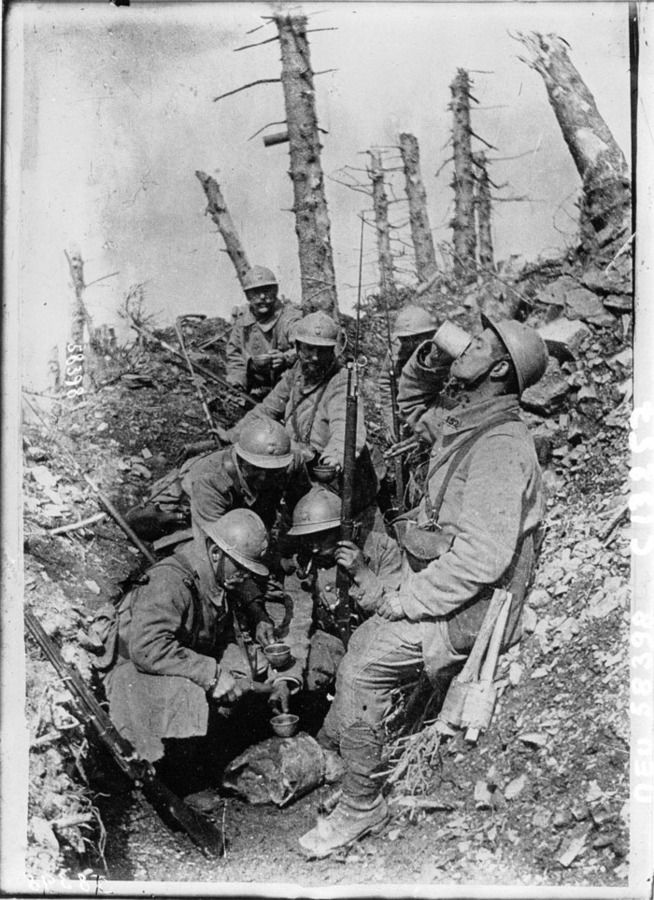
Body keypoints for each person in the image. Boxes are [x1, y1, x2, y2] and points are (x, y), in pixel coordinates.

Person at [299, 315, 549, 857]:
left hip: (476, 605)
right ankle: (357, 775)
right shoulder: (469, 420)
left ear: (501, 368)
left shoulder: (500, 446)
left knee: (361, 665)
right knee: (363, 639)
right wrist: (441, 353)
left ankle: (363, 806)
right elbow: (410, 402)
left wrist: (407, 600)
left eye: (477, 345)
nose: (464, 346)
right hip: (448, 584)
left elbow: (483, 557)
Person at [103, 509, 299, 795]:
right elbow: (147, 649)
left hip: (170, 662)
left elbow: (221, 638)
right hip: (132, 676)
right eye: (240, 567)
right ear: (215, 553)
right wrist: (212, 674)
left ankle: (205, 752)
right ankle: (178, 781)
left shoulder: (215, 576)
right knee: (189, 691)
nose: (244, 576)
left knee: (239, 675)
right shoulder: (169, 582)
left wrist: (266, 679)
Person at [218, 310, 378, 520]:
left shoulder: (343, 381)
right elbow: (267, 410)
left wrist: (334, 458)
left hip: (336, 480)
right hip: (301, 468)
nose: (315, 357)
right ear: (298, 348)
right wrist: (234, 434)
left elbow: (346, 427)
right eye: (309, 349)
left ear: (334, 351)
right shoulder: (296, 373)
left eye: (323, 351)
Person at [273, 486, 402, 697]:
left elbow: (392, 614)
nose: (314, 547)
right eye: (308, 539)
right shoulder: (303, 564)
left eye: (322, 537)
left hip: (378, 646)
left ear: (344, 529)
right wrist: (287, 677)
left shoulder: (382, 550)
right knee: (311, 673)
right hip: (337, 646)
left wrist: (362, 573)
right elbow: (297, 622)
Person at [124, 419, 294, 546]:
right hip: (187, 509)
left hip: (231, 503)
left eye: (271, 470)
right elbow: (214, 543)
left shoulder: (288, 460)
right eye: (256, 469)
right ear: (241, 459)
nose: (264, 477)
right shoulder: (211, 480)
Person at [225, 265, 302, 399]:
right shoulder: (242, 322)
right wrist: (237, 382)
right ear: (248, 296)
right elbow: (235, 357)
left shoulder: (289, 318)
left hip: (286, 389)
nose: (262, 297)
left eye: (267, 291)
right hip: (255, 390)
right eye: (255, 292)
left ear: (275, 291)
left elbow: (305, 348)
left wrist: (285, 358)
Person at [378, 305, 437, 441]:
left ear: (429, 335)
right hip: (406, 413)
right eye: (404, 339)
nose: (409, 344)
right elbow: (386, 382)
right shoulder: (395, 350)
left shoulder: (441, 351)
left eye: (415, 338)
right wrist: (391, 422)